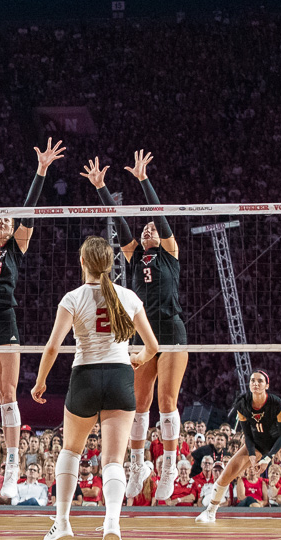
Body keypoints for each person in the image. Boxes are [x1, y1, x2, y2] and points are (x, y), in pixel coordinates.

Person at [31, 236, 159, 540]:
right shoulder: (128, 296)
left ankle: (62, 522)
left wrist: (40, 381)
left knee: (70, 451)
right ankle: (112, 523)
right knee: (113, 460)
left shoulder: (73, 298)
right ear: (110, 264)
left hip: (85, 377)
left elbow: (52, 347)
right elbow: (153, 347)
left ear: (83, 262)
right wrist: (138, 358)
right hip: (119, 377)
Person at [0, 125, 65, 503]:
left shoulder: (17, 246)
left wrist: (41, 170)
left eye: (8, 220)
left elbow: (30, 210)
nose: (4, 222)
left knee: (7, 394)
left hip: (6, 318)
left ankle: (11, 465)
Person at [82, 151, 187, 503]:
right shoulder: (132, 254)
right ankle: (139, 464)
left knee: (166, 400)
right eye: (145, 229)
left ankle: (169, 465)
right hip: (144, 333)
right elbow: (119, 222)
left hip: (171, 333)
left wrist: (144, 179)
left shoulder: (170, 252)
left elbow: (159, 214)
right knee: (139, 404)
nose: (148, 230)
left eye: (152, 229)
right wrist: (102, 188)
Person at [195, 371, 281, 523]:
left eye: (260, 381)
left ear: (267, 385)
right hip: (257, 442)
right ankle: (210, 512)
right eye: (252, 380)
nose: (255, 383)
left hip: (278, 441)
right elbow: (247, 434)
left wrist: (268, 458)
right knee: (228, 472)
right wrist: (251, 454)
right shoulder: (242, 403)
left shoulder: (277, 404)